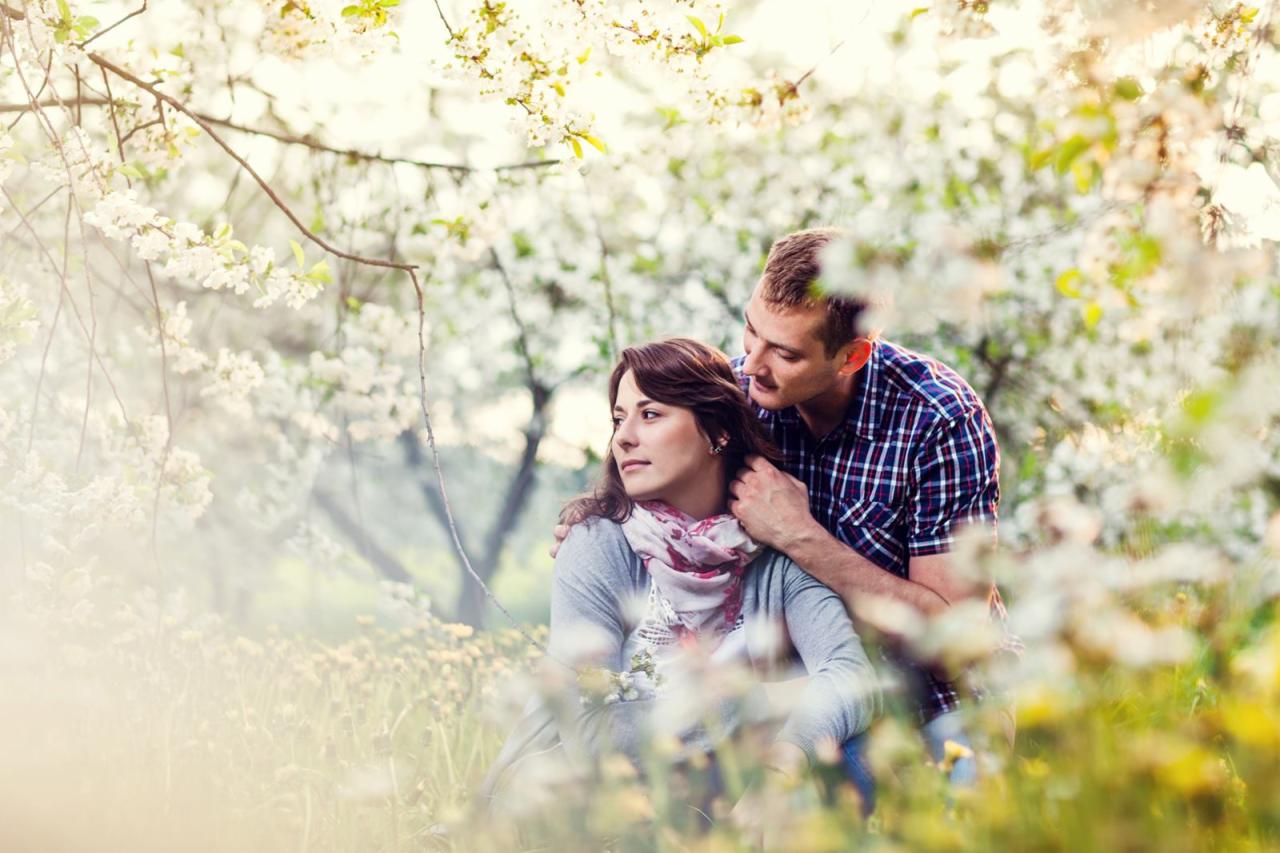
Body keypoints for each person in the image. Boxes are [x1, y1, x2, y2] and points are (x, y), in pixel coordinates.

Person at [552, 228, 1013, 801]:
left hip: (931, 698)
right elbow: (658, 461)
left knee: (828, 795)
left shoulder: (938, 418)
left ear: (853, 355)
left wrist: (802, 538)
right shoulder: (746, 394)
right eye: (751, 329)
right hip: (792, 687)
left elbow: (958, 637)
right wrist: (597, 519)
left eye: (786, 353)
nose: (751, 364)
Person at [481, 338, 882, 827]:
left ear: (717, 431)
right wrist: (763, 703)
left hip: (714, 796)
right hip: (581, 798)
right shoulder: (598, 543)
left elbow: (849, 674)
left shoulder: (774, 552)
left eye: (649, 415)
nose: (624, 437)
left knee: (827, 772)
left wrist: (782, 764)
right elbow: (588, 728)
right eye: (618, 419)